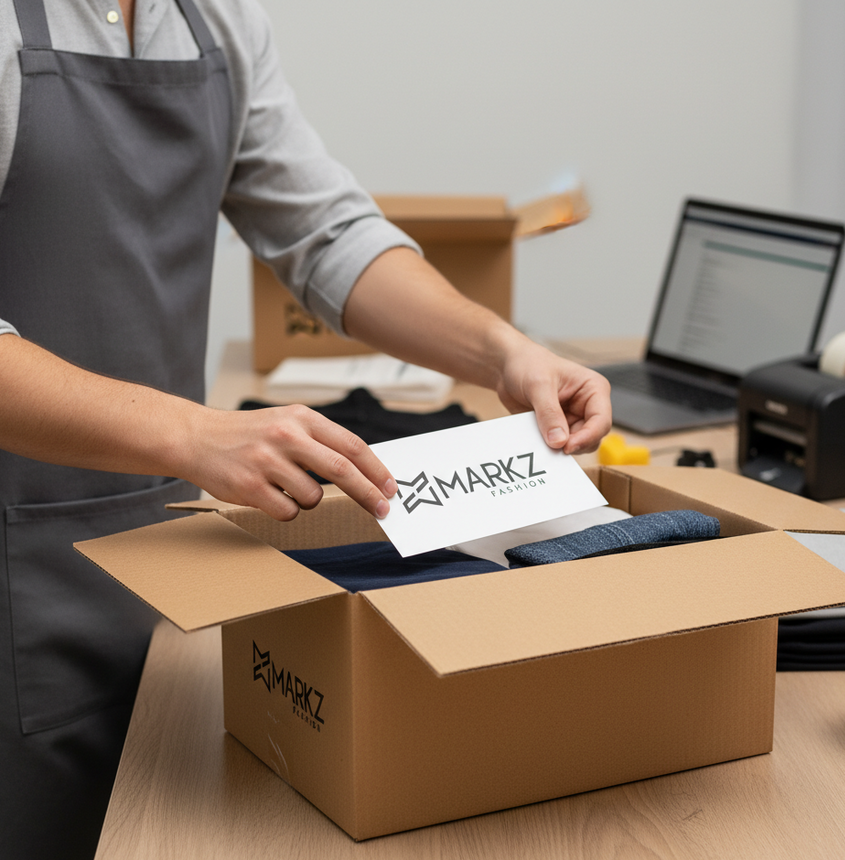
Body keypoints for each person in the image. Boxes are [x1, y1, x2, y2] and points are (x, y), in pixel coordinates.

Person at [0, 0, 611, 857]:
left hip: (161, 548)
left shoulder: (215, 19)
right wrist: (195, 434)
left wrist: (501, 352)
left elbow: (325, 231)